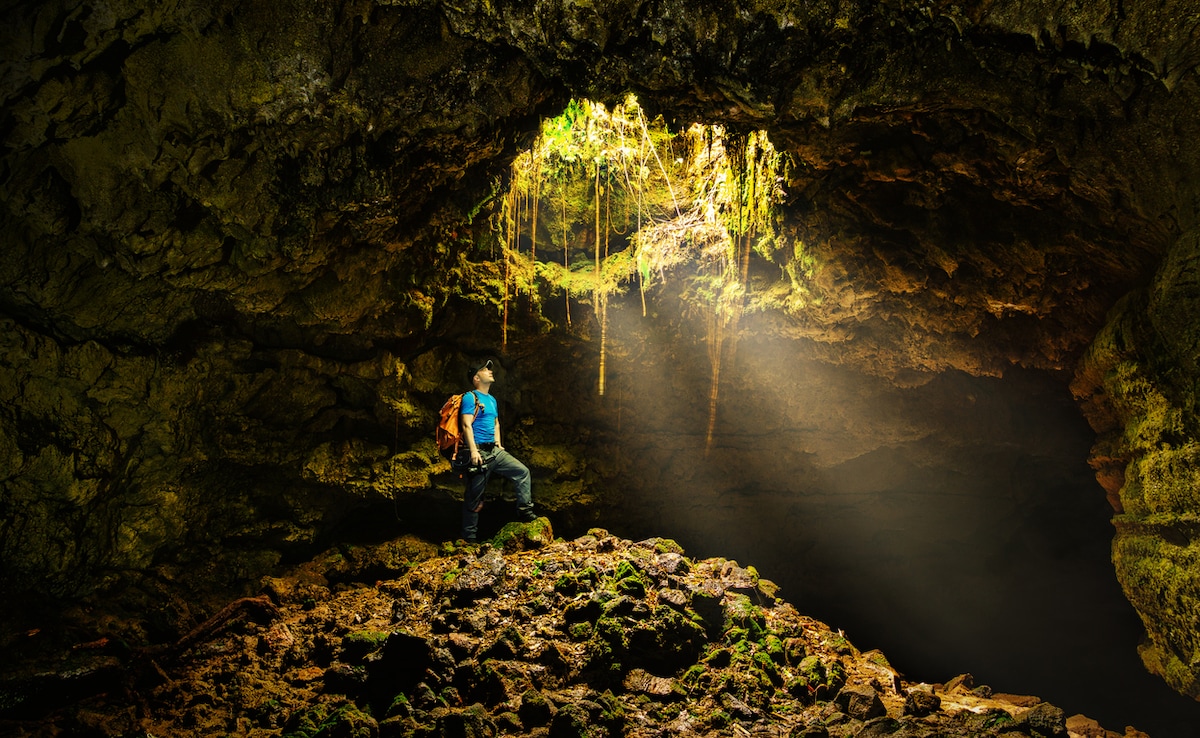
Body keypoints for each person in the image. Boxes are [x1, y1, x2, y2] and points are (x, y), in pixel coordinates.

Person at [459, 359, 537, 542]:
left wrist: (498, 443)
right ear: (476, 377)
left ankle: (525, 510)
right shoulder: (471, 397)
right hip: (479, 452)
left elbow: (496, 423)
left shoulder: (492, 399)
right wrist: (473, 451)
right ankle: (468, 539)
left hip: (494, 451)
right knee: (474, 498)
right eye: (485, 369)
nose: (490, 371)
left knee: (522, 472)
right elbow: (466, 424)